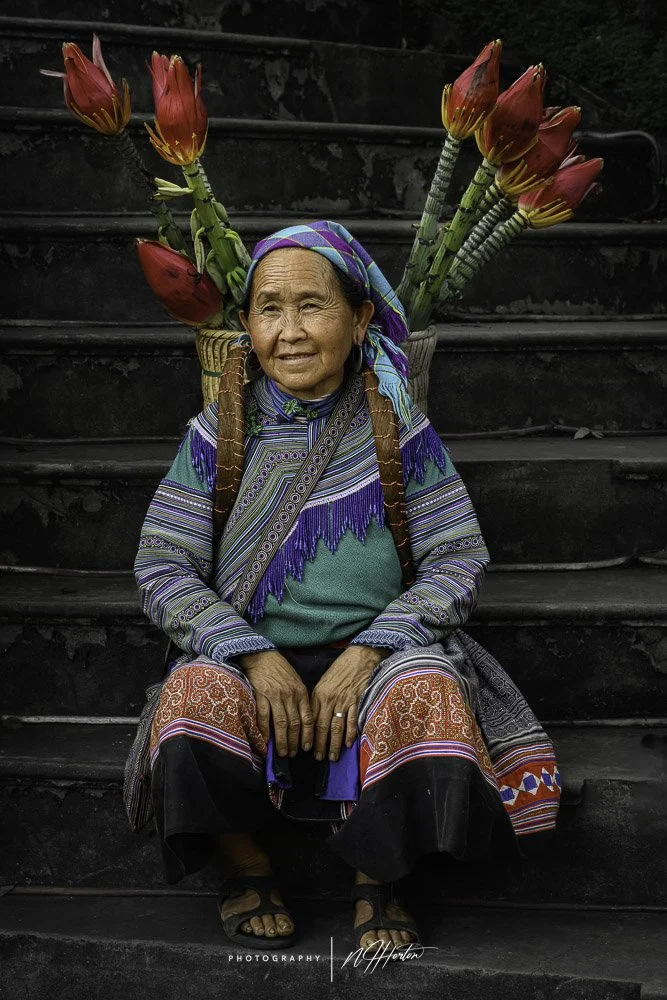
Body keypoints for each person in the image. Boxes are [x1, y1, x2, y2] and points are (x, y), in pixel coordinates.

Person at [134, 219, 561, 953]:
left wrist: (367, 654)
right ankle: (246, 865)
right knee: (189, 697)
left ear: (360, 318)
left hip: (374, 655)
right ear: (246, 326)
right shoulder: (214, 436)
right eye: (269, 308)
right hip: (248, 658)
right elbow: (161, 567)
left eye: (312, 305)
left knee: (426, 686)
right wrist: (248, 654)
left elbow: (457, 559)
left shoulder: (400, 431)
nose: (290, 331)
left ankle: (379, 878)